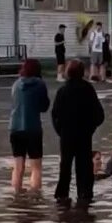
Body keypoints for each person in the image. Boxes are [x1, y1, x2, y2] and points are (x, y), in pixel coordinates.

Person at [52, 60, 105, 203]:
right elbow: (99, 115)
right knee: (84, 168)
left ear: (68, 72)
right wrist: (90, 128)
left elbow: (55, 115)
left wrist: (61, 131)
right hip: (84, 136)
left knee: (65, 166)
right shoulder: (88, 89)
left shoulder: (62, 91)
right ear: (83, 72)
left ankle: (62, 196)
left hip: (67, 135)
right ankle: (85, 195)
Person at [9, 59, 50, 194]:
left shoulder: (16, 84)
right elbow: (44, 107)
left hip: (15, 128)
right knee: (36, 167)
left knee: (18, 166)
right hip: (33, 128)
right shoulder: (40, 85)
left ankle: (16, 196)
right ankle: (35, 198)